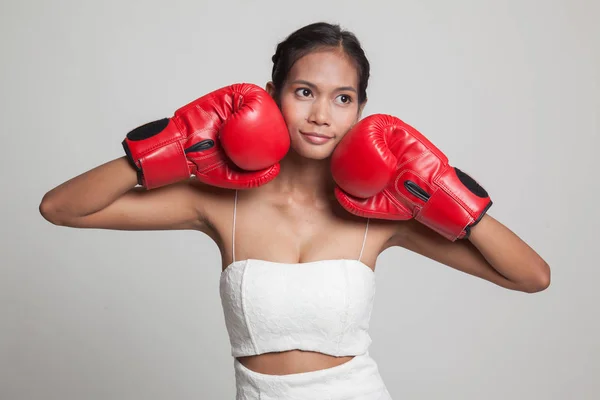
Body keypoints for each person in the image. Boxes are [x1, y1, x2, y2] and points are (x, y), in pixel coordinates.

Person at [39, 22, 551, 400]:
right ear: (271, 96)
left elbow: (531, 276)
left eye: (342, 98)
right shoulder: (220, 202)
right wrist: (168, 144)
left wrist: (446, 189)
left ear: (360, 111)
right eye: (304, 92)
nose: (321, 116)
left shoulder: (381, 214)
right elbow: (61, 207)